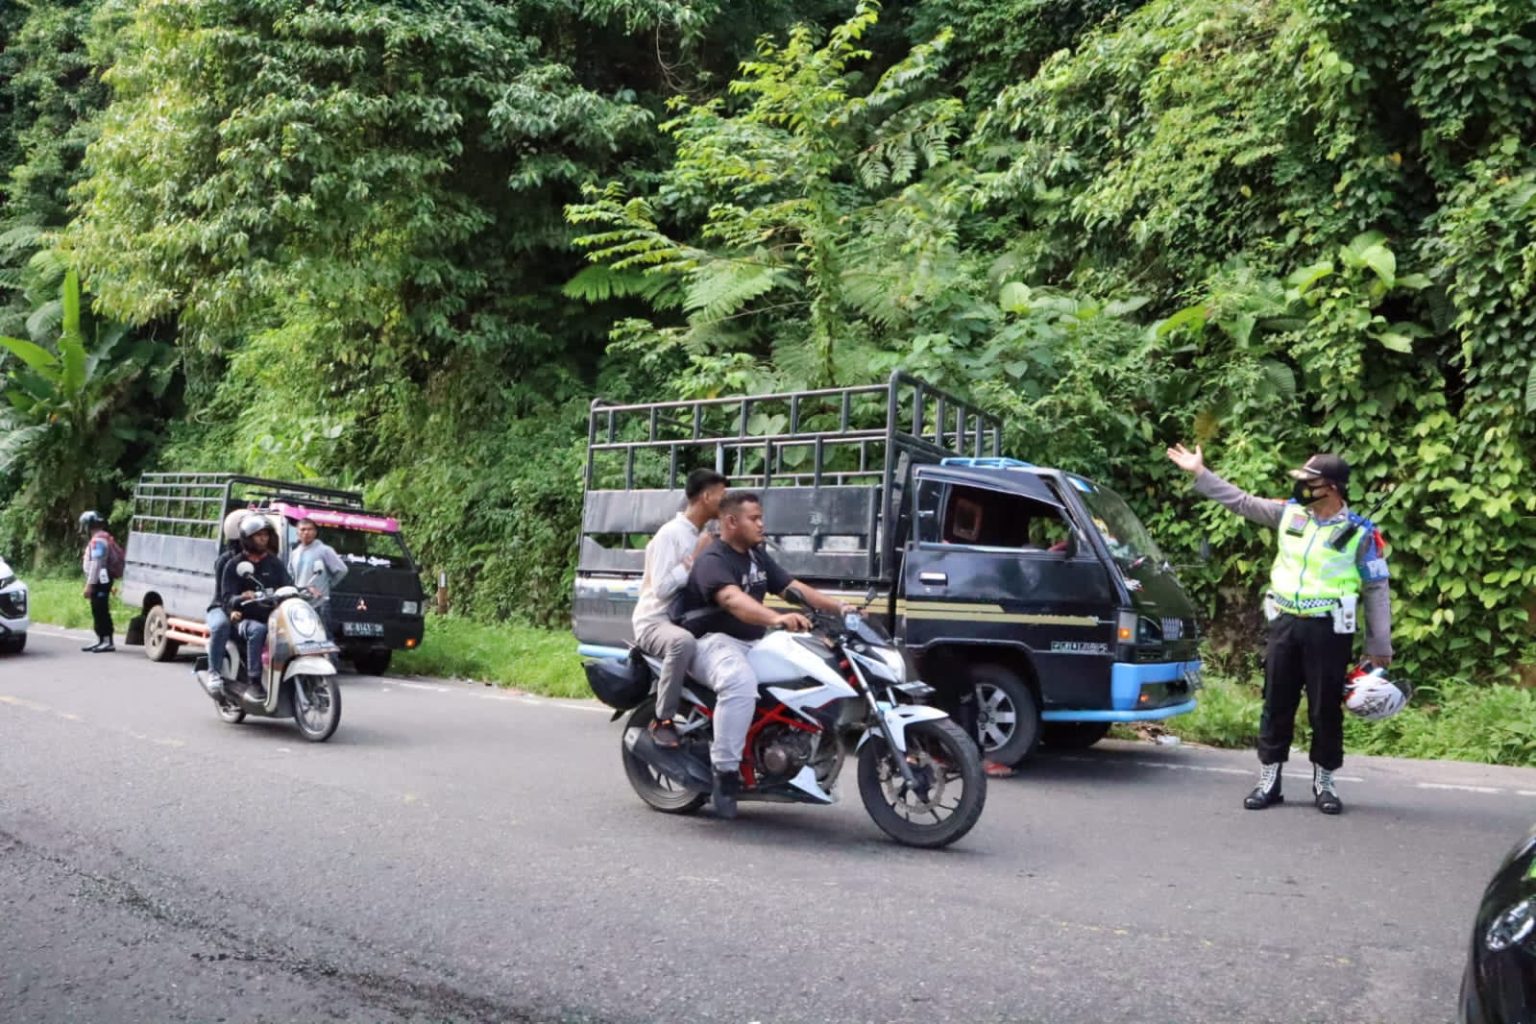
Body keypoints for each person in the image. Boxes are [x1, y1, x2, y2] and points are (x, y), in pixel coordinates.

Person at [1167, 444, 1392, 814]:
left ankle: (1325, 783)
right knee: (1276, 703)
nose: (1301, 487)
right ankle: (1269, 780)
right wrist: (1200, 473)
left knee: (1325, 709)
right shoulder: (1289, 514)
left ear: (1332, 488)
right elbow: (1240, 501)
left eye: (1309, 481)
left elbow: (1376, 588)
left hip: (1329, 629)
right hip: (1285, 623)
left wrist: (1379, 644)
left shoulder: (1361, 534)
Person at [674, 491, 853, 819]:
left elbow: (792, 587)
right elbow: (732, 600)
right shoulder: (714, 559)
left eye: (760, 517)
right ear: (731, 522)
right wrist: (775, 618)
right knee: (738, 682)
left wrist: (840, 608)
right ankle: (724, 773)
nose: (761, 524)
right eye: (753, 518)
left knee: (810, 669)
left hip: (751, 642)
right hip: (711, 643)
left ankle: (793, 750)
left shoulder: (756, 556)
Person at [631, 468, 728, 749]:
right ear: (707, 496)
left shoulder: (704, 535)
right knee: (682, 644)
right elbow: (661, 588)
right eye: (722, 495)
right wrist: (695, 557)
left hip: (688, 619)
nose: (725, 501)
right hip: (656, 622)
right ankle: (663, 719)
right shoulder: (669, 535)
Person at [219, 514, 293, 702]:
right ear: (248, 539)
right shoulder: (234, 565)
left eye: (266, 534)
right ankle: (254, 681)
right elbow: (226, 597)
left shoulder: (274, 563)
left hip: (273, 616)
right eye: (258, 535)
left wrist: (302, 590)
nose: (263, 538)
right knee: (258, 630)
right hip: (245, 619)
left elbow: (288, 585)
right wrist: (241, 598)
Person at [203, 510, 250, 694]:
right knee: (221, 625)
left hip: (250, 609)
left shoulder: (264, 558)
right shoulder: (225, 560)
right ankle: (213, 671)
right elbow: (223, 594)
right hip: (221, 607)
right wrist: (231, 610)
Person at [289, 517, 349, 616]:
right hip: (300, 603)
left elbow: (342, 570)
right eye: (303, 529)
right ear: (297, 532)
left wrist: (328, 585)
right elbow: (291, 576)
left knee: (322, 631)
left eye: (310, 529)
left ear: (315, 532)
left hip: (320, 603)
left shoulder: (324, 550)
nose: (306, 532)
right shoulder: (294, 553)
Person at [78, 511, 119, 653]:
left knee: (101, 609)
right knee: (97, 609)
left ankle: (107, 641)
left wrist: (90, 585)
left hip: (101, 580)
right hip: (100, 580)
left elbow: (97, 564)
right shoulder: (100, 538)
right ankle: (100, 639)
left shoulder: (98, 541)